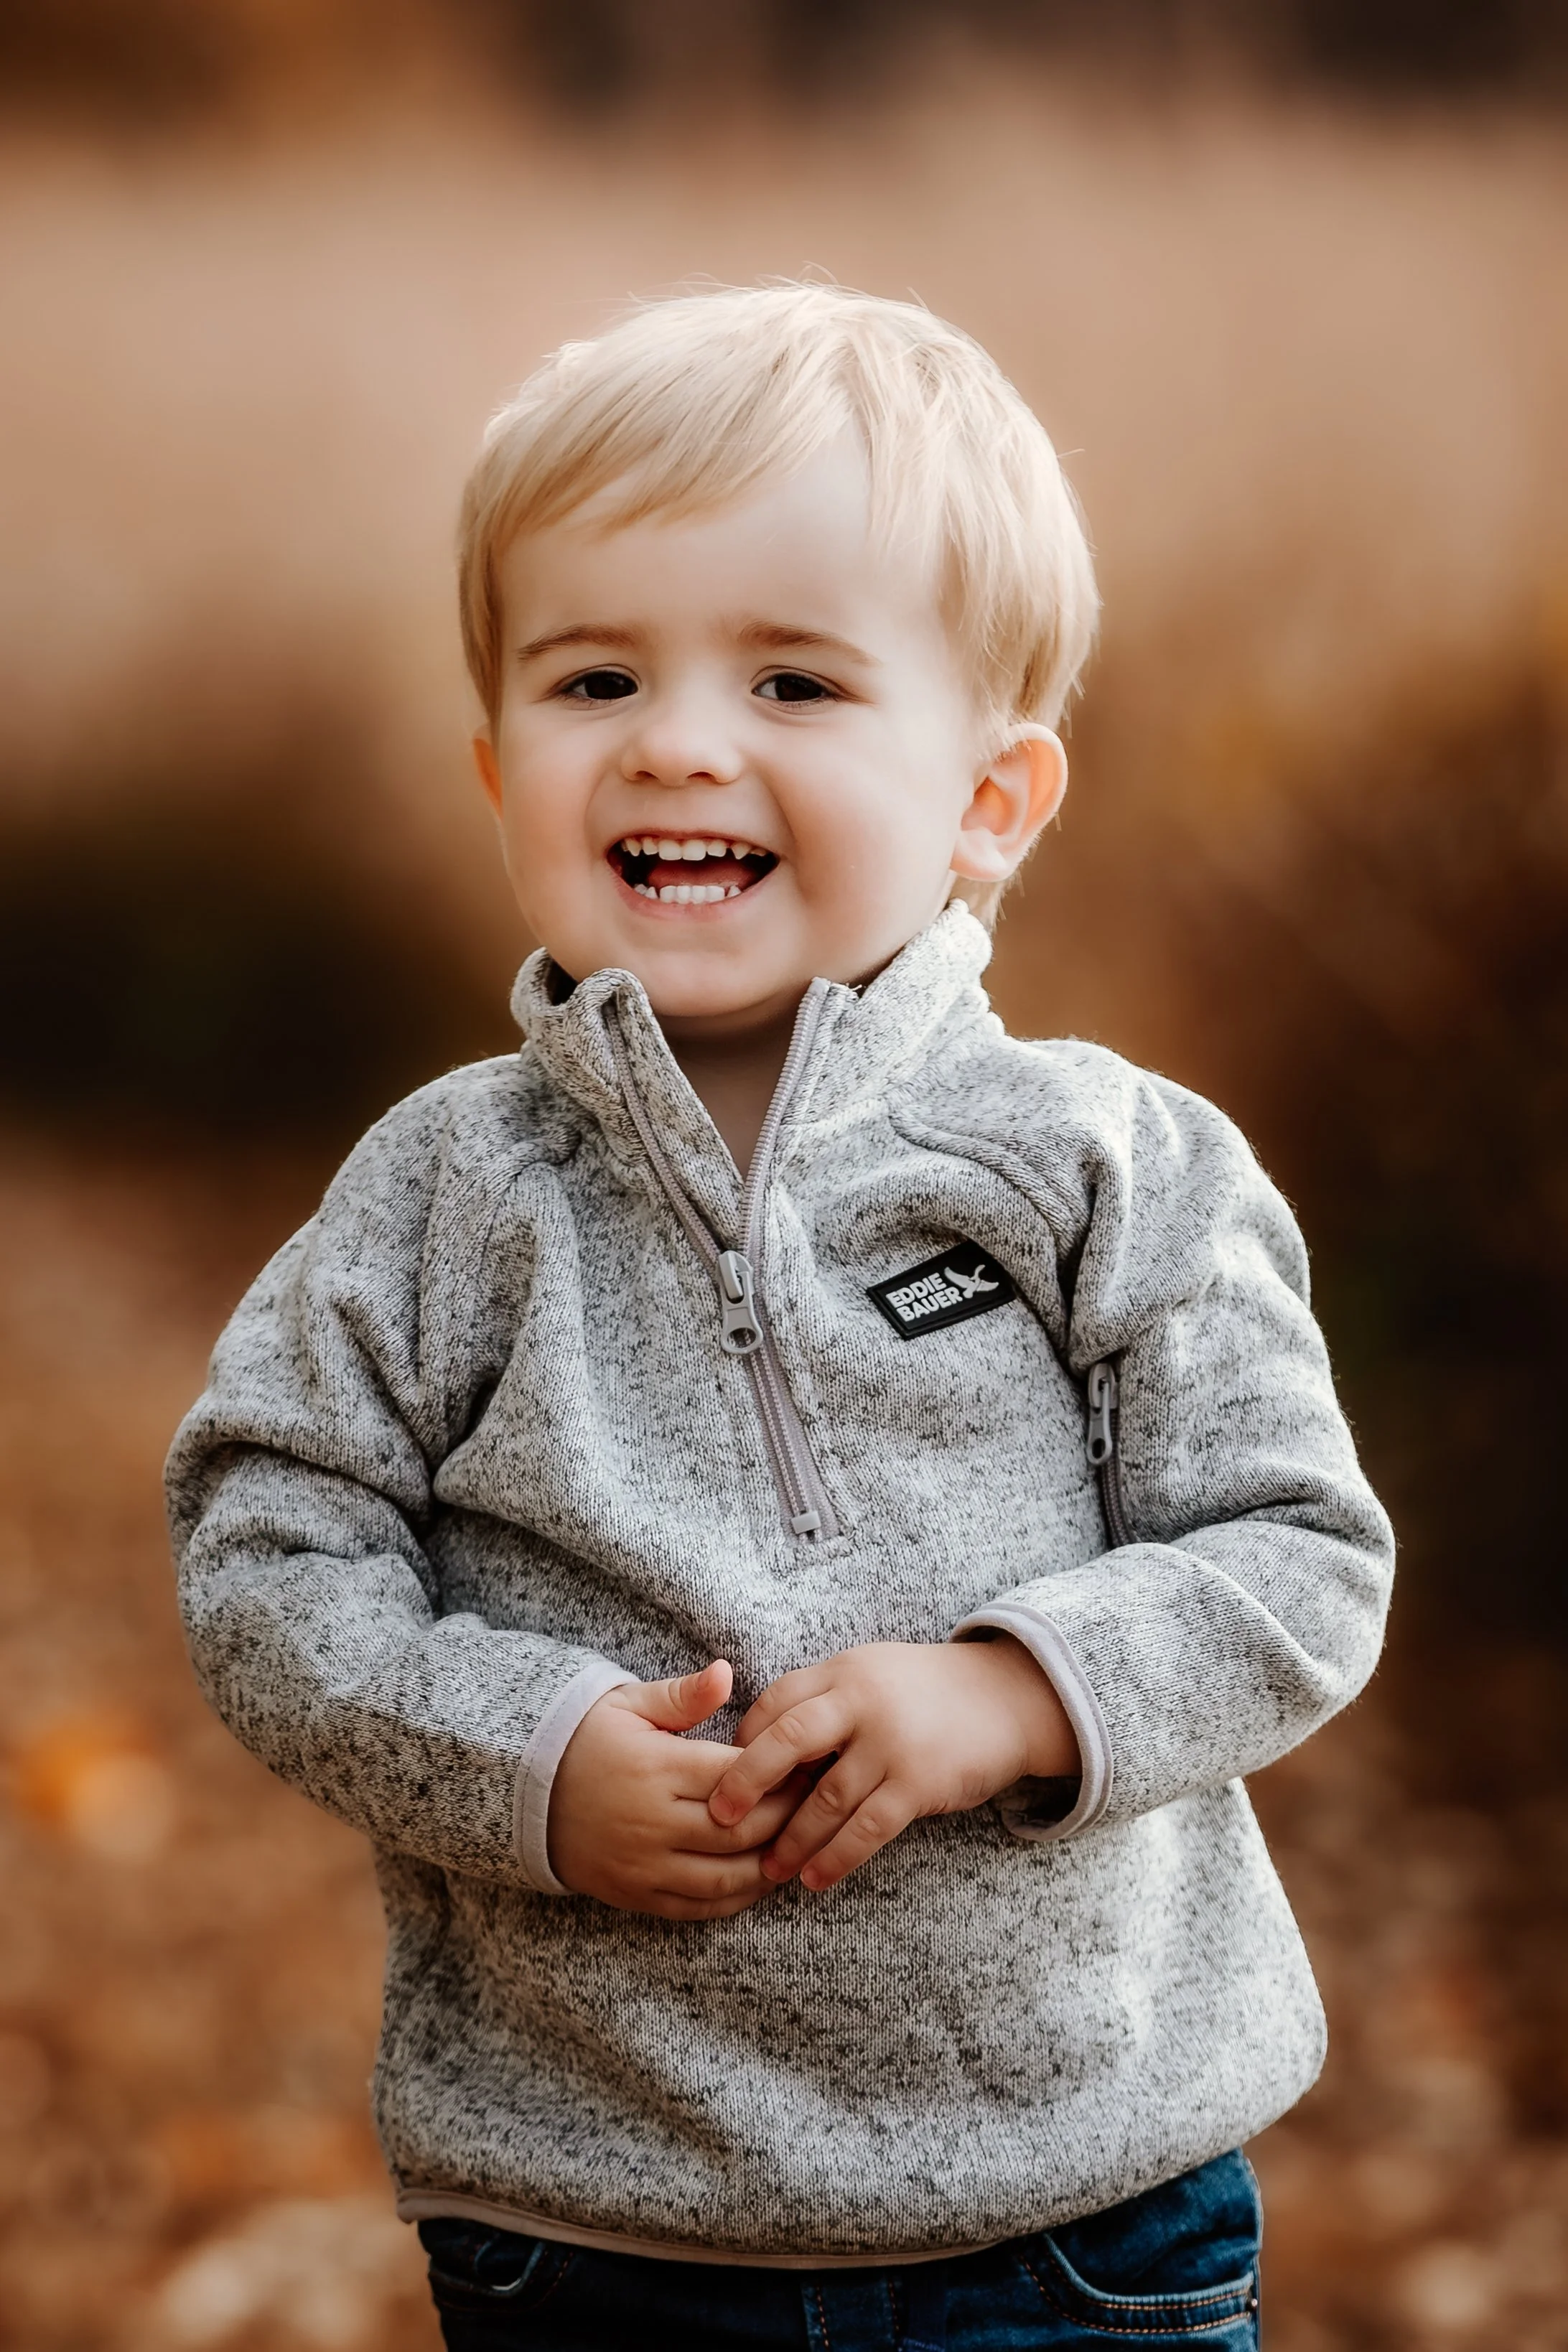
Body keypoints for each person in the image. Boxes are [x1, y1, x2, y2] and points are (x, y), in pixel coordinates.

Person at [165, 284, 1394, 2351]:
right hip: (594, 2224)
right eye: (595, 674)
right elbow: (262, 1550)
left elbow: (1299, 1556)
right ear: (498, 764)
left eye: (798, 678)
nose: (676, 736)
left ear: (996, 796)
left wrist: (1012, 1693)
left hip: (1079, 2216)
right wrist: (528, 1753)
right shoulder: (448, 1193)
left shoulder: (1114, 1162)